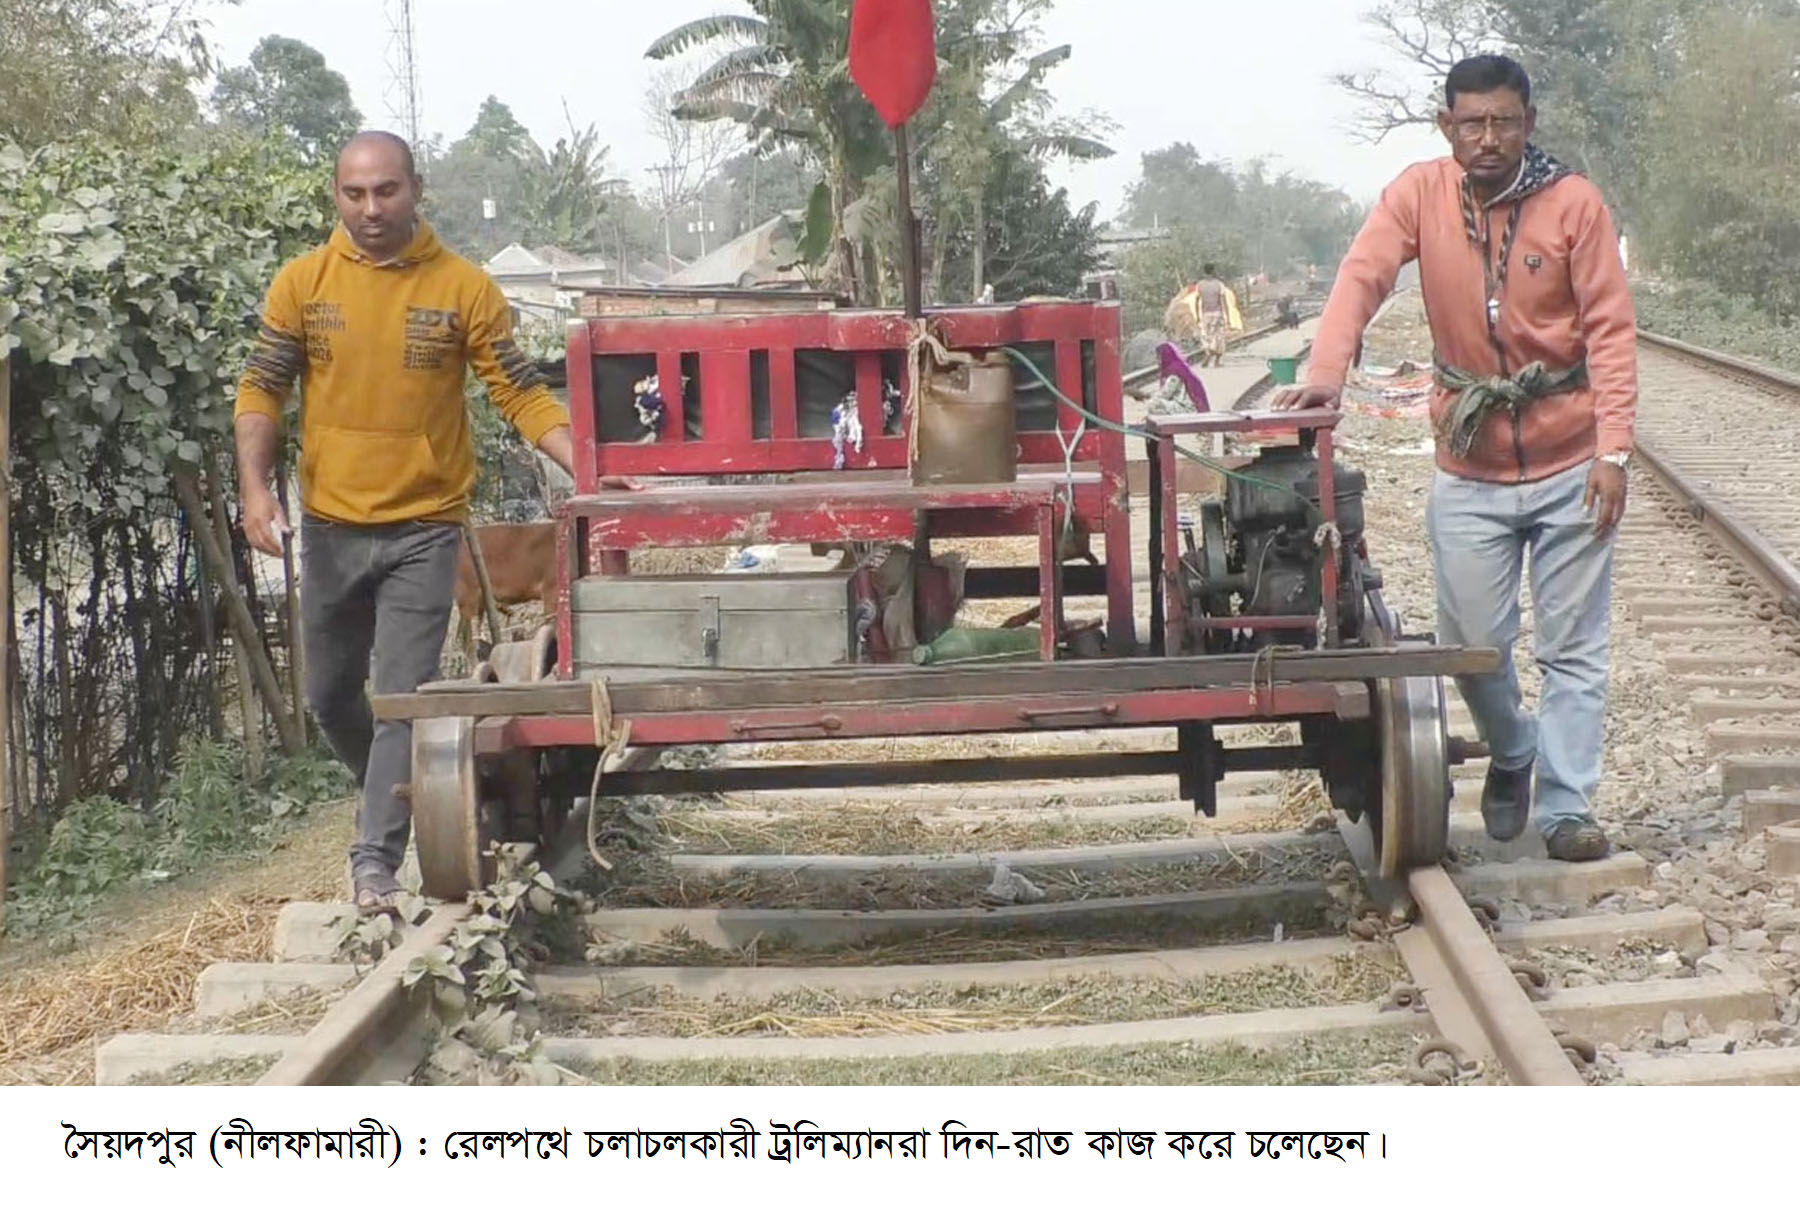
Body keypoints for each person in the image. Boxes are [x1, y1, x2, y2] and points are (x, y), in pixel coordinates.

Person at [1273, 54, 1636, 863]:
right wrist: (1324, 376)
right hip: (1470, 464)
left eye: (1505, 121)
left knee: (1573, 648)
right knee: (1472, 642)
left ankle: (1569, 808)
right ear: (1447, 127)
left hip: (1571, 456)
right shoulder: (1419, 194)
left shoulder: (1574, 204)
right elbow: (1362, 276)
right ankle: (1515, 751)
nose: (1488, 138)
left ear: (1528, 123)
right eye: (1471, 123)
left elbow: (1611, 331)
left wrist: (1613, 450)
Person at [233, 131, 586, 912]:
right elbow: (261, 389)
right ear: (337, 195)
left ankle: (374, 866)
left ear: (415, 189)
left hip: (424, 529)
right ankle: (399, 796)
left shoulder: (463, 288)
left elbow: (520, 391)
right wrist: (256, 493)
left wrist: (585, 462)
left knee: (400, 697)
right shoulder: (303, 283)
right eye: (355, 194)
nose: (371, 209)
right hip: (328, 529)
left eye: (386, 191)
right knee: (330, 699)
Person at [1194, 263, 1232, 367]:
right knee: (1219, 337)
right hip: (1217, 313)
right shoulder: (1219, 284)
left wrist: (1197, 315)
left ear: (1204, 272)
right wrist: (1227, 317)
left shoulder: (1200, 285)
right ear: (1213, 271)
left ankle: (1208, 352)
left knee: (1206, 336)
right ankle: (1217, 361)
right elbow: (1224, 302)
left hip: (1205, 314)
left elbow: (1196, 301)